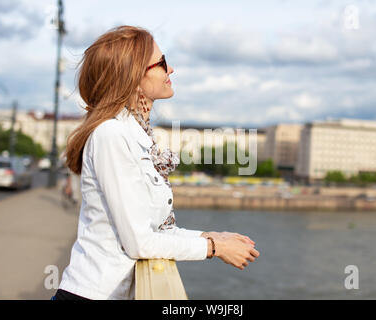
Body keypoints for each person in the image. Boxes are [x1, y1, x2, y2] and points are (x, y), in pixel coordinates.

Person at [52, 25, 260, 300]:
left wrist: (211, 235)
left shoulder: (134, 133)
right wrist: (214, 248)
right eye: (161, 63)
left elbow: (157, 230)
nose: (170, 69)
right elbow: (141, 243)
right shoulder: (111, 135)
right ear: (134, 76)